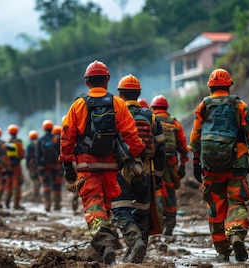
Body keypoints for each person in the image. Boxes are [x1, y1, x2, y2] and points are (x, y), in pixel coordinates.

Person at [59, 60, 145, 265]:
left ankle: (105, 244)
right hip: (111, 166)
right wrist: (137, 153)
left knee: (93, 206)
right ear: (107, 80)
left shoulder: (79, 104)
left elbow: (67, 137)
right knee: (108, 205)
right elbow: (131, 134)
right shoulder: (117, 103)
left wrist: (66, 164)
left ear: (87, 82)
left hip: (86, 166)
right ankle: (123, 242)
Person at [188, 68, 249, 262]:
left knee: (215, 205)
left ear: (210, 87)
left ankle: (222, 249)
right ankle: (236, 233)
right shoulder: (239, 105)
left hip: (210, 165)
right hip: (236, 161)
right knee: (236, 201)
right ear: (229, 86)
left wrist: (196, 162)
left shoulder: (203, 106)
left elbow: (196, 136)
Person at [111, 74, 166, 263]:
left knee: (120, 209)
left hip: (121, 169)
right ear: (139, 93)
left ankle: (134, 243)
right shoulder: (151, 116)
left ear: (120, 93)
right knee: (142, 211)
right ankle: (138, 252)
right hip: (145, 169)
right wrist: (157, 177)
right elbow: (160, 149)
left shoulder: (116, 114)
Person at [151, 94, 189, 236]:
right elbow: (183, 147)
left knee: (156, 192)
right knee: (170, 194)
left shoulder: (151, 119)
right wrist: (183, 166)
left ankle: (156, 224)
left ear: (153, 107)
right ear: (166, 107)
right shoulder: (175, 123)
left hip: (154, 163)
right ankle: (170, 225)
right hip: (171, 165)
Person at [36, 119, 62, 212]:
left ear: (43, 128)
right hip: (56, 166)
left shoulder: (40, 140)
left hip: (45, 166)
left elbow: (38, 155)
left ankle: (47, 205)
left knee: (46, 185)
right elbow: (60, 153)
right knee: (57, 185)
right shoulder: (56, 139)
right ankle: (57, 205)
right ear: (52, 128)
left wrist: (39, 168)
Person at [4, 124, 26, 210]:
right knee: (17, 184)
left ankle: (7, 203)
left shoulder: (7, 143)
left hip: (8, 166)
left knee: (9, 184)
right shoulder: (18, 143)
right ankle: (16, 204)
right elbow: (22, 155)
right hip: (16, 166)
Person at [25, 130, 41, 202]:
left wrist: (27, 166)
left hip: (32, 165)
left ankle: (36, 194)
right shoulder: (39, 144)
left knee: (34, 179)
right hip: (39, 164)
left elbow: (27, 157)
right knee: (38, 179)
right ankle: (37, 192)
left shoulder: (29, 146)